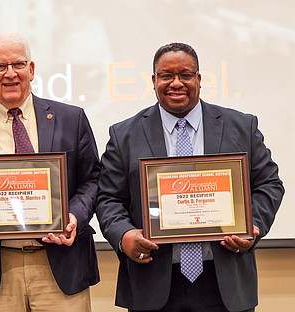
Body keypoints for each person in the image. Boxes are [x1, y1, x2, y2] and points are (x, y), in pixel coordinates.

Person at [96, 42, 284, 312]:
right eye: (166, 76)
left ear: (199, 79)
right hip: (153, 283)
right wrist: (123, 234)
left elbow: (269, 184)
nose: (176, 83)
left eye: (185, 75)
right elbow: (108, 198)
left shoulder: (241, 126)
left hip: (225, 282)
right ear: (153, 80)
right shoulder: (124, 134)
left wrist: (251, 226)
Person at [0, 32, 101, 311]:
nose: (10, 74)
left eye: (18, 64)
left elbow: (92, 179)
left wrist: (75, 216)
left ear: (31, 69)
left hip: (61, 264)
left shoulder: (71, 119)